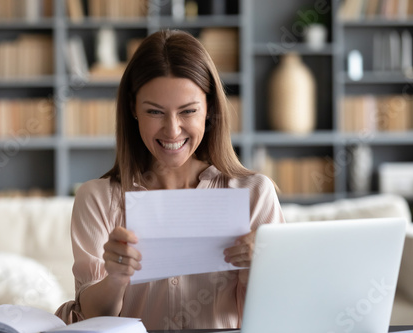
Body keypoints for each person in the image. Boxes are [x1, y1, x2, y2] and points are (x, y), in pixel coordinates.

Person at [55, 29, 285, 330]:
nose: (173, 130)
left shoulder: (254, 194)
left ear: (210, 110)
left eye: (188, 111)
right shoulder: (97, 199)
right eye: (155, 112)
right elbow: (92, 322)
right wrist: (116, 277)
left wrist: (256, 270)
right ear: (132, 109)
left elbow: (281, 315)